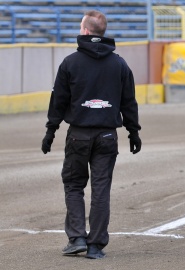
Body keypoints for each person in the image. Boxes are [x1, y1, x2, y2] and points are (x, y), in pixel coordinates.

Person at [41, 10, 142, 259]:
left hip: (78, 135)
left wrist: (50, 131)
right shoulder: (119, 63)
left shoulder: (70, 62)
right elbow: (129, 102)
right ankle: (95, 245)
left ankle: (76, 237)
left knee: (74, 185)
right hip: (107, 136)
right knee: (101, 189)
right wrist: (133, 132)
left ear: (85, 31)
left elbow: (58, 101)